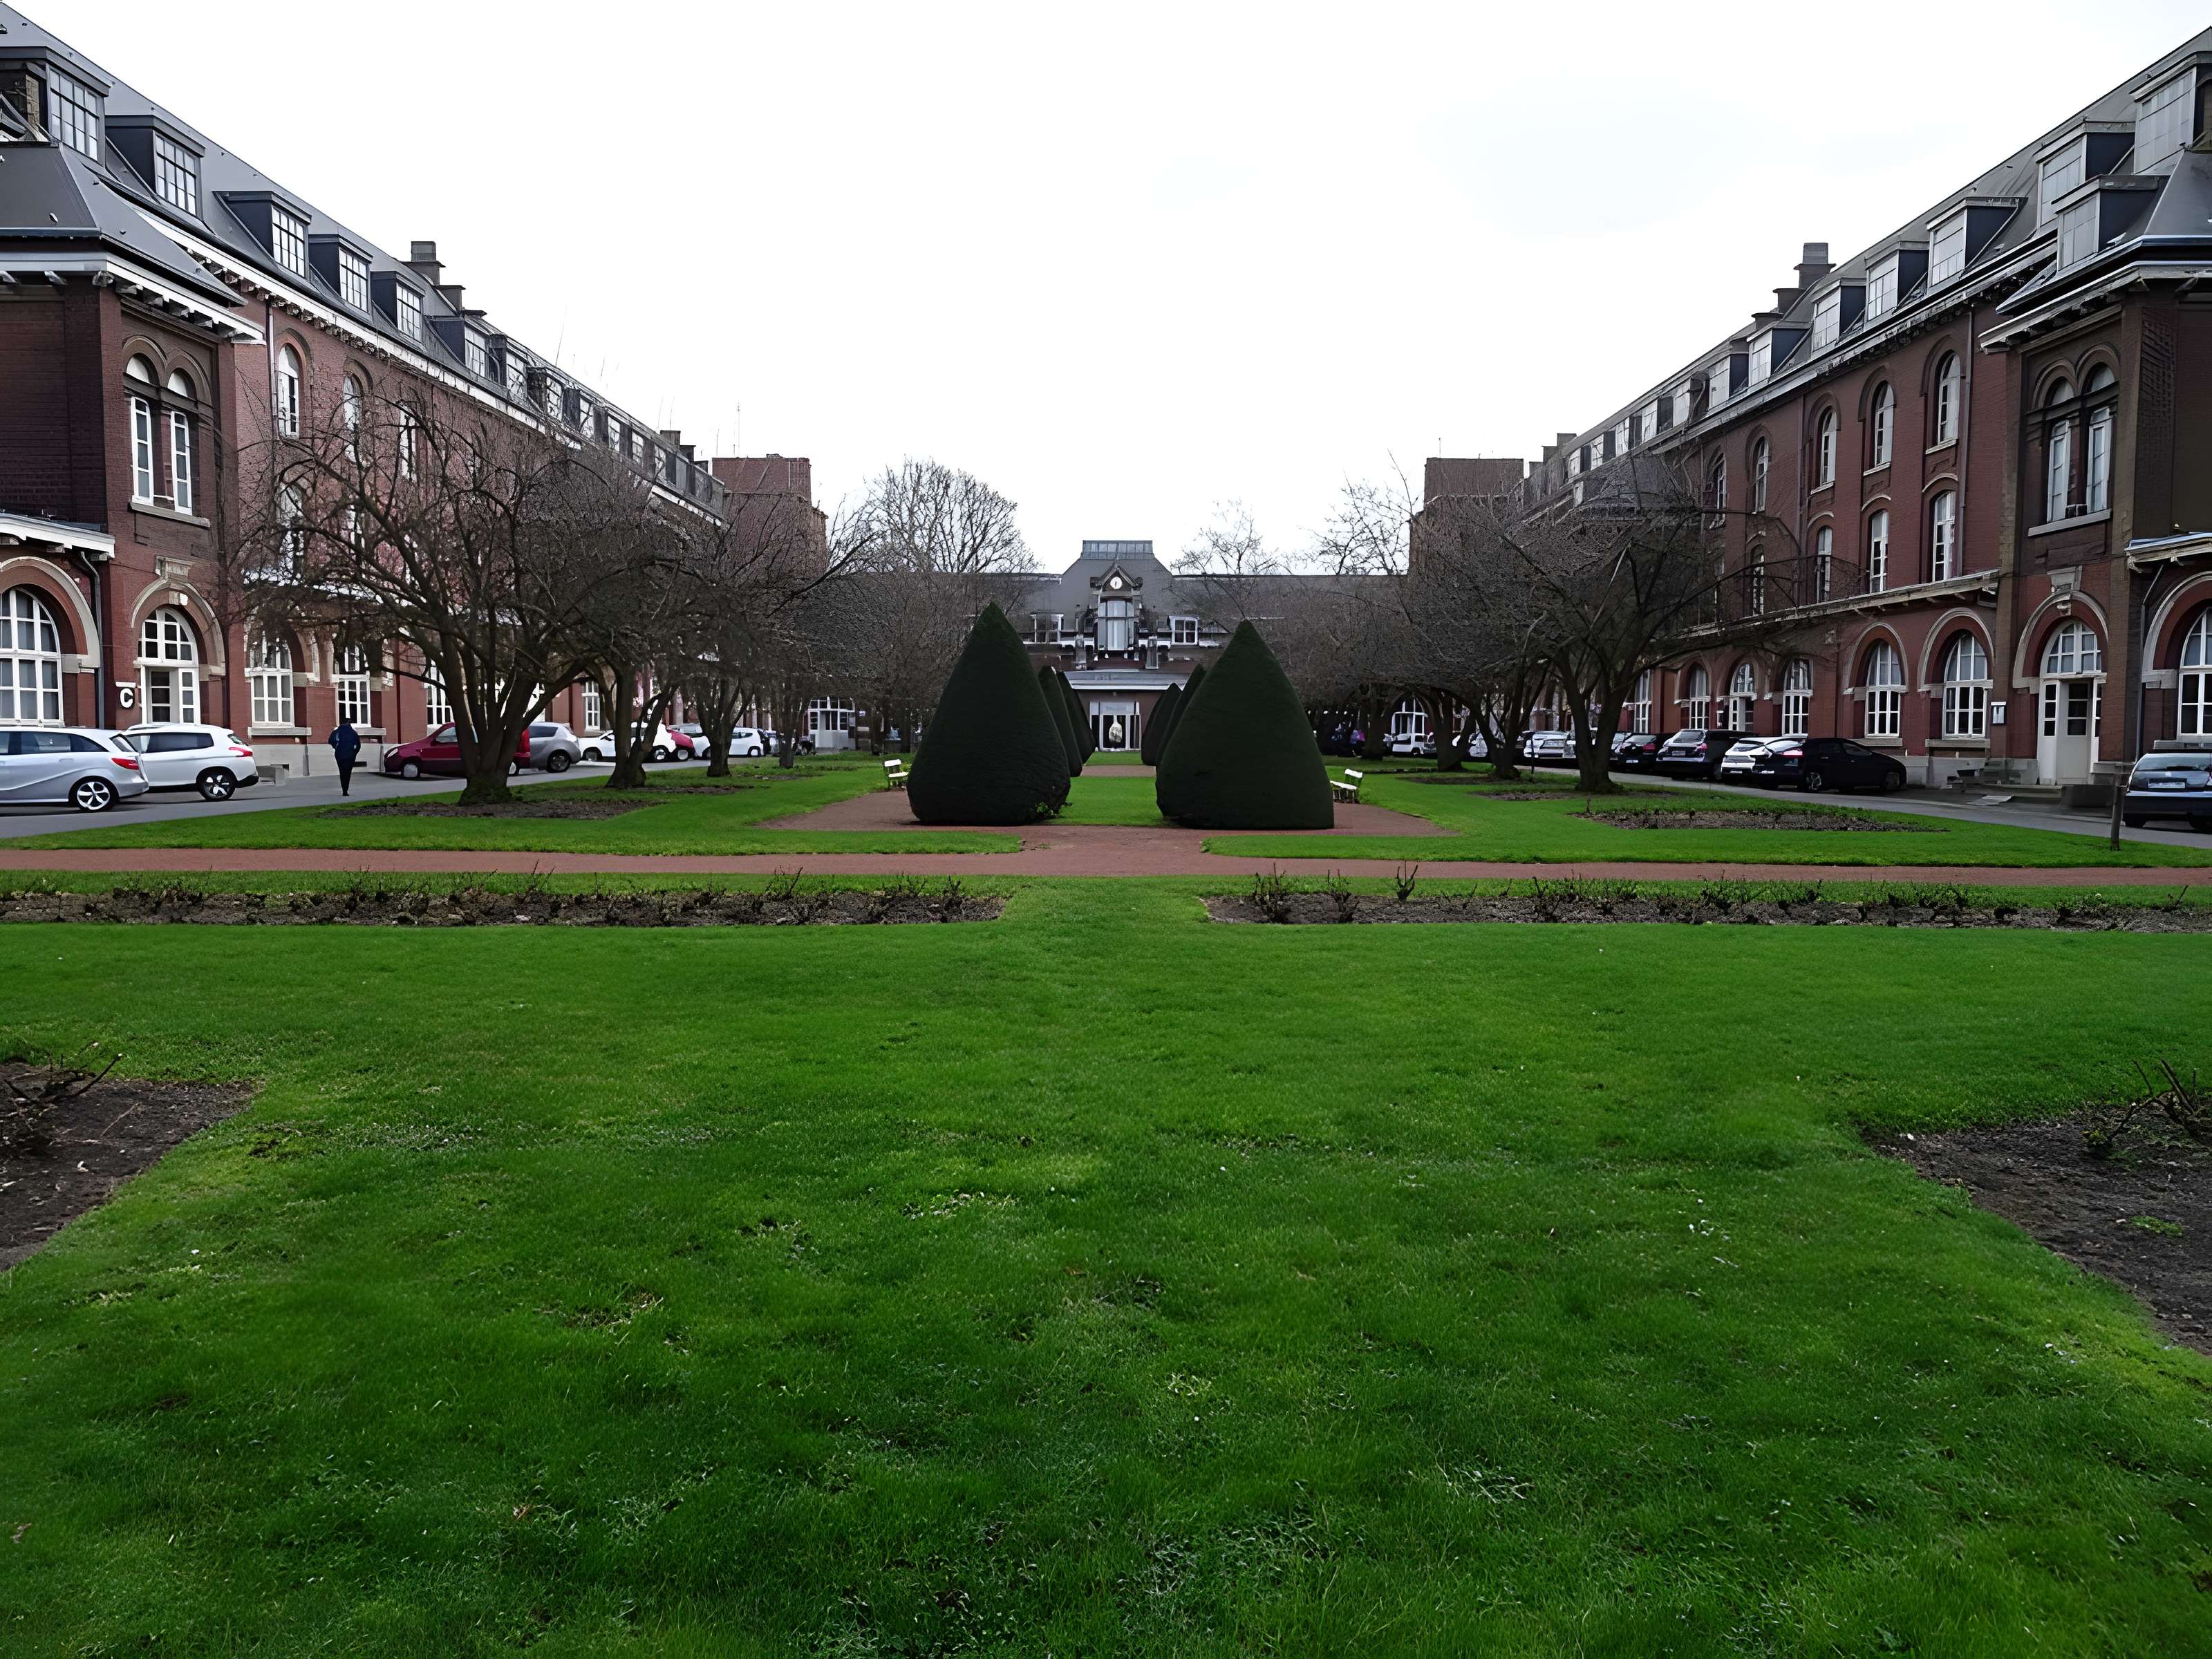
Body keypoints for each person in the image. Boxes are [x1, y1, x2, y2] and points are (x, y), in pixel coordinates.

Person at [329, 718, 362, 797]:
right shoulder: (353, 733)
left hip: (339, 755)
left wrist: (336, 747)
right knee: (348, 773)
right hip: (350, 755)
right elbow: (358, 745)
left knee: (342, 772)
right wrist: (354, 753)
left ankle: (343, 788)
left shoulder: (336, 732)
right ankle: (345, 790)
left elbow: (331, 740)